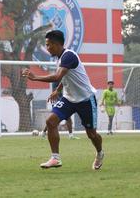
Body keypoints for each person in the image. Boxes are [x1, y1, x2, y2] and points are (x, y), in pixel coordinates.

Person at [22, 30, 103, 170]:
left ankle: (100, 153)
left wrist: (35, 78)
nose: (47, 48)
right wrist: (58, 90)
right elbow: (66, 77)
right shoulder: (60, 58)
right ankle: (55, 158)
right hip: (69, 99)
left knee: (91, 134)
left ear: (57, 44)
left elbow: (58, 76)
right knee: (51, 121)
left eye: (48, 45)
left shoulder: (69, 56)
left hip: (85, 100)